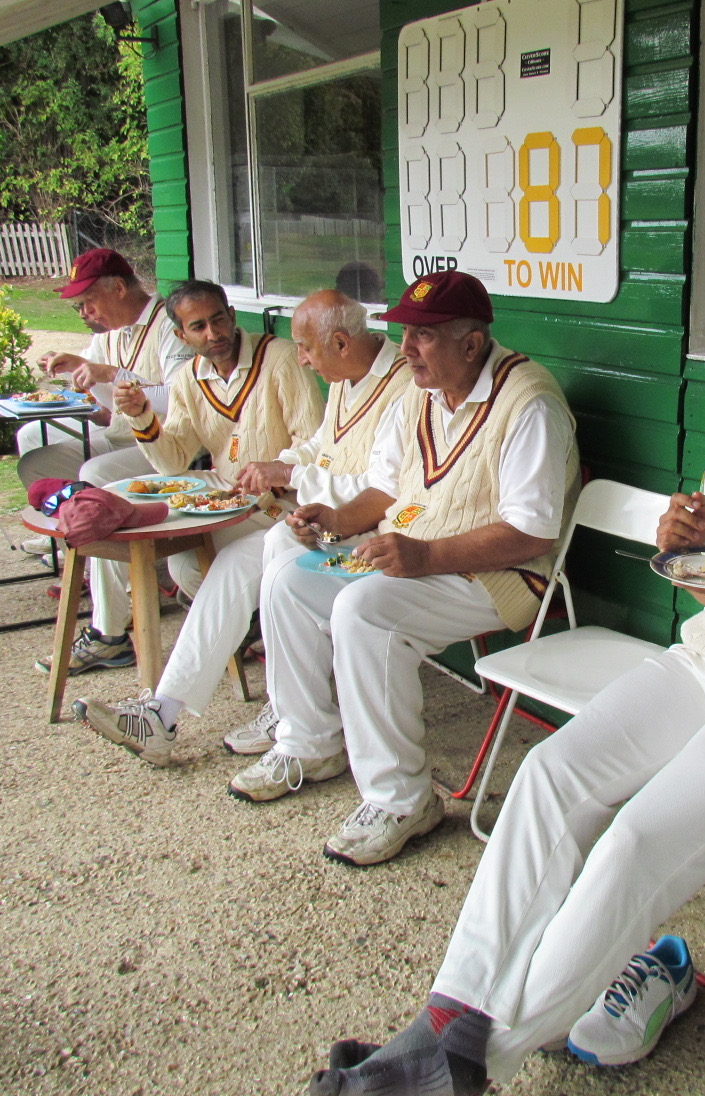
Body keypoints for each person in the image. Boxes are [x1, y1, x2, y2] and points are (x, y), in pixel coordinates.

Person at [306, 268, 705, 1095]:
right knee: (547, 775)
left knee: (637, 841)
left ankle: (467, 1063)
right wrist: (688, 542)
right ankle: (447, 1014)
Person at [243, 270, 578, 868]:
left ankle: (401, 800)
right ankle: (311, 741)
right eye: (404, 334)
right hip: (417, 555)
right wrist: (336, 520)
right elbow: (385, 488)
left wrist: (424, 556)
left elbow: (532, 534)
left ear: (471, 344)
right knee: (289, 580)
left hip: (499, 574)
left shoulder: (529, 403)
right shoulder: (421, 395)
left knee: (364, 611)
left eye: (422, 336)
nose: (405, 350)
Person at [70, 288, 412, 765]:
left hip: (367, 531)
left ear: (340, 343)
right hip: (315, 518)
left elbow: (382, 488)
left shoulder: (403, 386)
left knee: (266, 554)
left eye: (306, 348)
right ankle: (164, 713)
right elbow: (320, 444)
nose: (303, 360)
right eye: (197, 326)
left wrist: (289, 474)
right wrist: (278, 464)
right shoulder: (344, 375)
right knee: (228, 564)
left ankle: (293, 713)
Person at [50, 281, 321, 683]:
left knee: (195, 562)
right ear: (181, 335)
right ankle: (120, 632)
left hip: (286, 497)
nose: (213, 334)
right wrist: (142, 416)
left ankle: (256, 623)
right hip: (226, 485)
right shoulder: (189, 378)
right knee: (156, 542)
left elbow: (313, 441)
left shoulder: (279, 358)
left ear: (232, 316)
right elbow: (173, 461)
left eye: (218, 320)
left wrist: (274, 473)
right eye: (198, 327)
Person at [16, 247, 193, 491]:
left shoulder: (168, 323)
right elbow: (107, 401)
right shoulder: (110, 330)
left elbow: (180, 399)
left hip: (167, 443)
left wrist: (113, 374)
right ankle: (71, 513)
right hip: (121, 435)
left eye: (89, 301)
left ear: (119, 288)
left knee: (94, 471)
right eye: (79, 305)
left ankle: (99, 511)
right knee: (34, 459)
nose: (85, 313)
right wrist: (74, 367)